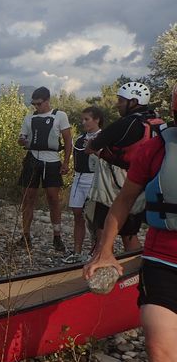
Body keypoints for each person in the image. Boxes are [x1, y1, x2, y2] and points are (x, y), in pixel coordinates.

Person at [84, 123, 177, 362]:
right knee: (162, 356)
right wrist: (105, 250)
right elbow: (122, 202)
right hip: (164, 262)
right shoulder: (154, 150)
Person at [85, 82, 167, 252]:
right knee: (130, 235)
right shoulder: (158, 122)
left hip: (114, 186)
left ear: (133, 101)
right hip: (143, 186)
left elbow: (93, 146)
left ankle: (102, 268)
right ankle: (137, 271)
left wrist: (97, 149)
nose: (117, 104)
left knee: (102, 232)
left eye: (121, 100)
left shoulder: (126, 123)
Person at [16, 86, 73, 252]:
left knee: (53, 199)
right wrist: (21, 140)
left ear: (47, 101)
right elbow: (23, 138)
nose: (36, 107)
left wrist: (66, 162)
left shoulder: (60, 116)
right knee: (28, 198)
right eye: (34, 104)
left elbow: (68, 140)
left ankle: (57, 236)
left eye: (39, 104)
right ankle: (25, 235)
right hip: (32, 158)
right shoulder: (29, 118)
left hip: (53, 160)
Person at [62, 107, 104, 263]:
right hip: (79, 179)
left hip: (96, 179)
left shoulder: (104, 138)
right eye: (83, 119)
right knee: (77, 213)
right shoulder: (79, 139)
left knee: (96, 218)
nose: (83, 122)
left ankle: (97, 252)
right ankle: (77, 251)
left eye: (87, 119)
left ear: (97, 119)